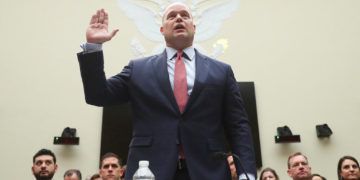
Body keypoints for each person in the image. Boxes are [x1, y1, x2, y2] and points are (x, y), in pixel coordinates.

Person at [77, 2, 256, 180]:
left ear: (193, 27)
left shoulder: (221, 71)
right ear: (162, 29)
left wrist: (246, 173)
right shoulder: (138, 69)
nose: (178, 18)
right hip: (149, 170)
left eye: (184, 15)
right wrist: (94, 46)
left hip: (208, 170)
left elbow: (238, 126)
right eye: (171, 16)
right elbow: (98, 95)